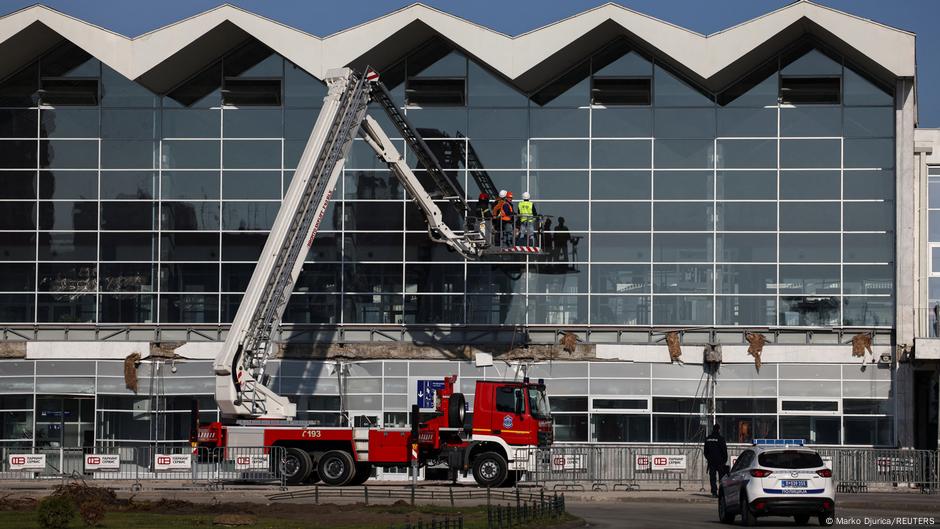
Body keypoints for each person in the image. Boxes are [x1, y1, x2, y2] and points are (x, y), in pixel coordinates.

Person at [704, 423, 729, 497]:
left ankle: (714, 492)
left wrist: (709, 458)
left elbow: (705, 451)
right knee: (722, 478)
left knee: (712, 478)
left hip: (711, 462)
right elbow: (724, 450)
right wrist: (724, 460)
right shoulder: (721, 438)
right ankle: (722, 493)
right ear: (719, 429)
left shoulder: (708, 438)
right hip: (720, 462)